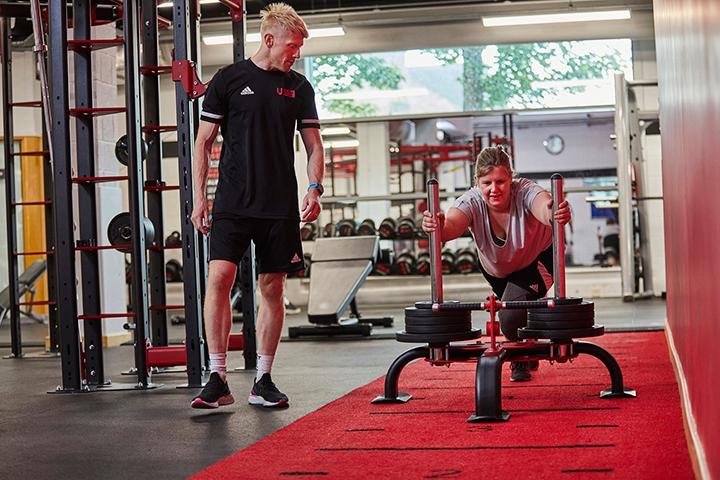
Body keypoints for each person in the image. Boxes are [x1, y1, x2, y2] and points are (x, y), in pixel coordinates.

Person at [190, 3, 324, 409]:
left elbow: (314, 145)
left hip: (279, 204)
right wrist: (199, 198)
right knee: (219, 280)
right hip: (232, 199)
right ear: (269, 40)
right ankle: (217, 377)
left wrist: (315, 187)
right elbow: (204, 143)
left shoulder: (299, 87)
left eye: (299, 47)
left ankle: (263, 378)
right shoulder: (228, 80)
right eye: (292, 45)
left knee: (273, 287)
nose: (295, 53)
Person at [422, 147, 571, 382]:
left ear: (511, 178)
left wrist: (554, 212)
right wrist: (437, 226)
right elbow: (450, 226)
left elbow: (544, 208)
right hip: (497, 271)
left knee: (510, 316)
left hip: (538, 260)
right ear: (477, 182)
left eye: (500, 181)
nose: (494, 189)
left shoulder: (525, 191)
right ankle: (528, 345)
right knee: (515, 310)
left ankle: (520, 362)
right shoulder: (471, 201)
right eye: (487, 182)